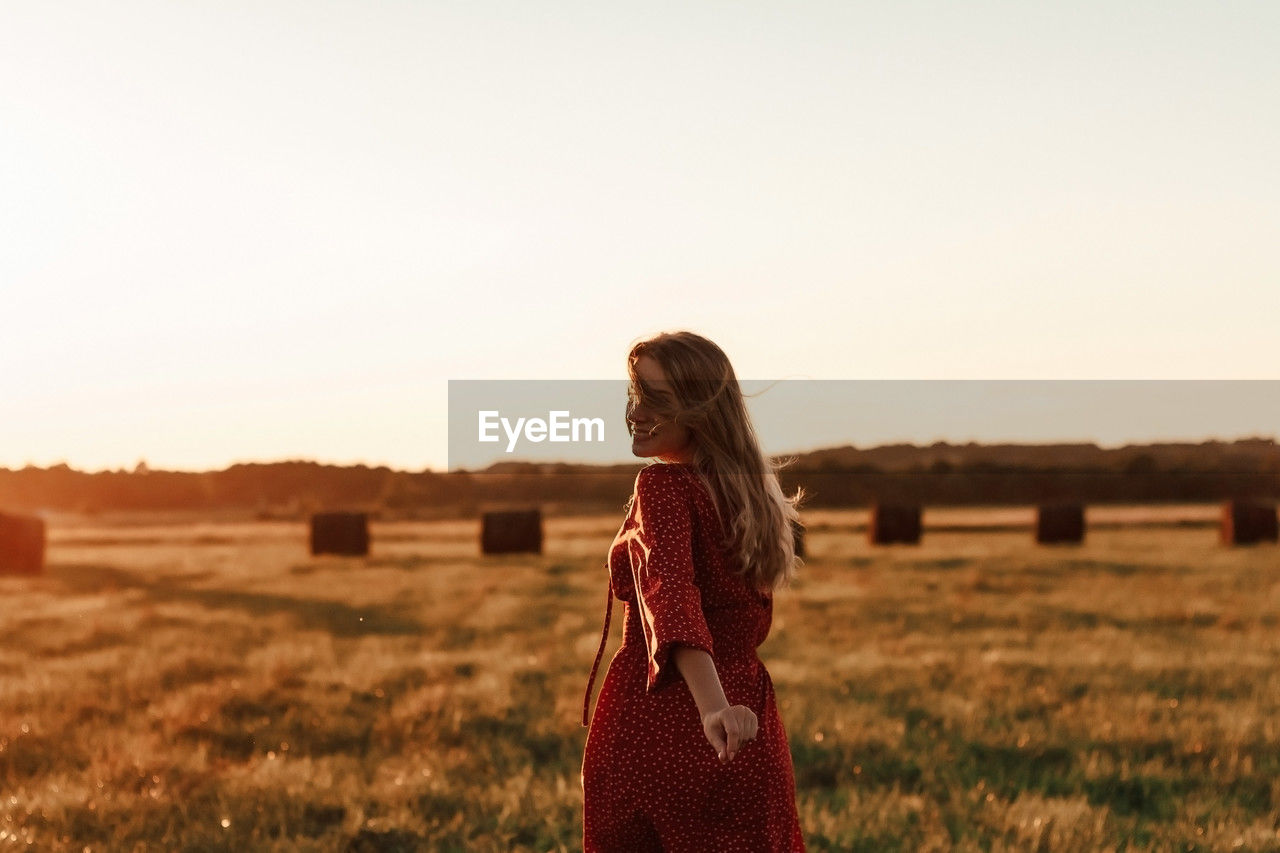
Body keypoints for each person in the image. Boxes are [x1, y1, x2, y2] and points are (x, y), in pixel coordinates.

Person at [580, 331, 807, 852]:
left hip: (664, 716)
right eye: (635, 395)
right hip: (748, 722)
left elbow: (672, 597)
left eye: (656, 400)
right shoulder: (749, 495)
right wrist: (726, 708)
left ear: (702, 411)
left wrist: (710, 709)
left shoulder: (660, 487)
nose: (636, 412)